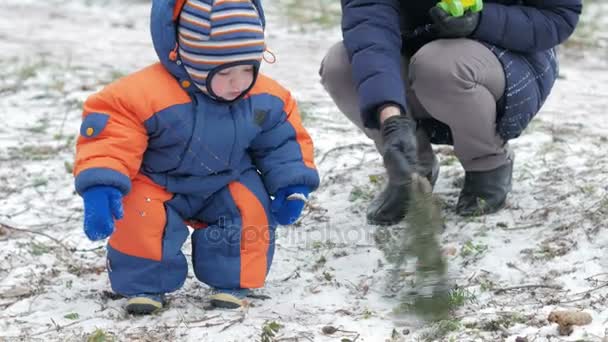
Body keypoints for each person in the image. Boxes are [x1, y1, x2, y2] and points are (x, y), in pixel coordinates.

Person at [73, 0, 319, 315]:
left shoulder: (265, 97)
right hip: (158, 181)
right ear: (191, 59)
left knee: (249, 211)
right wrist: (101, 185)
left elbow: (283, 141)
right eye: (225, 72)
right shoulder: (142, 94)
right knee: (140, 214)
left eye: (248, 68)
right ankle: (145, 284)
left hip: (227, 178)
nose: (238, 82)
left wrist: (292, 183)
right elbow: (112, 138)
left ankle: (233, 279)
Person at [320, 0, 582, 224]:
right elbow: (369, 27)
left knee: (437, 65)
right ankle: (412, 167)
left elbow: (557, 15)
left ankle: (487, 162)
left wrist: (482, 21)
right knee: (341, 66)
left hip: (507, 54)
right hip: (412, 49)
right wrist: (392, 120)